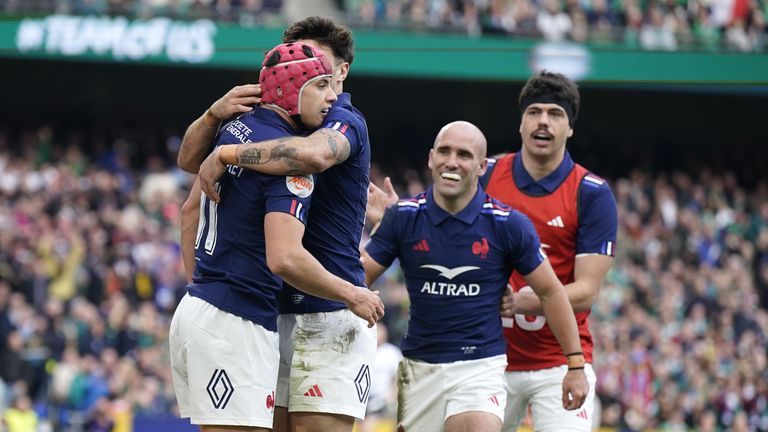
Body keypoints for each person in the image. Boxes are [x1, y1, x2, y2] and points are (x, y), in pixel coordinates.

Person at [169, 42, 383, 431]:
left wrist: (200, 290)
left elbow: (188, 212)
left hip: (202, 309)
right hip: (238, 318)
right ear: (290, 88)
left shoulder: (233, 128)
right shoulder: (287, 162)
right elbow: (284, 258)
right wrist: (354, 293)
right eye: (319, 85)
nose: (332, 96)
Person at [362, 121, 589, 432]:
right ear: (431, 158)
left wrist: (575, 364)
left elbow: (551, 292)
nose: (452, 161)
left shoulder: (508, 224)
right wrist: (377, 228)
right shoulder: (403, 218)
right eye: (444, 151)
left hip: (479, 365)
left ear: (482, 166)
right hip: (419, 367)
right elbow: (357, 280)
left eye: (464, 154)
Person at [481, 71, 618, 431]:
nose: (543, 121)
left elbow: (587, 291)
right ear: (522, 122)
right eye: (535, 112)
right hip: (488, 357)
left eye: (555, 114)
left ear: (570, 127)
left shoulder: (591, 192)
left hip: (560, 360)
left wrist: (534, 299)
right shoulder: (486, 175)